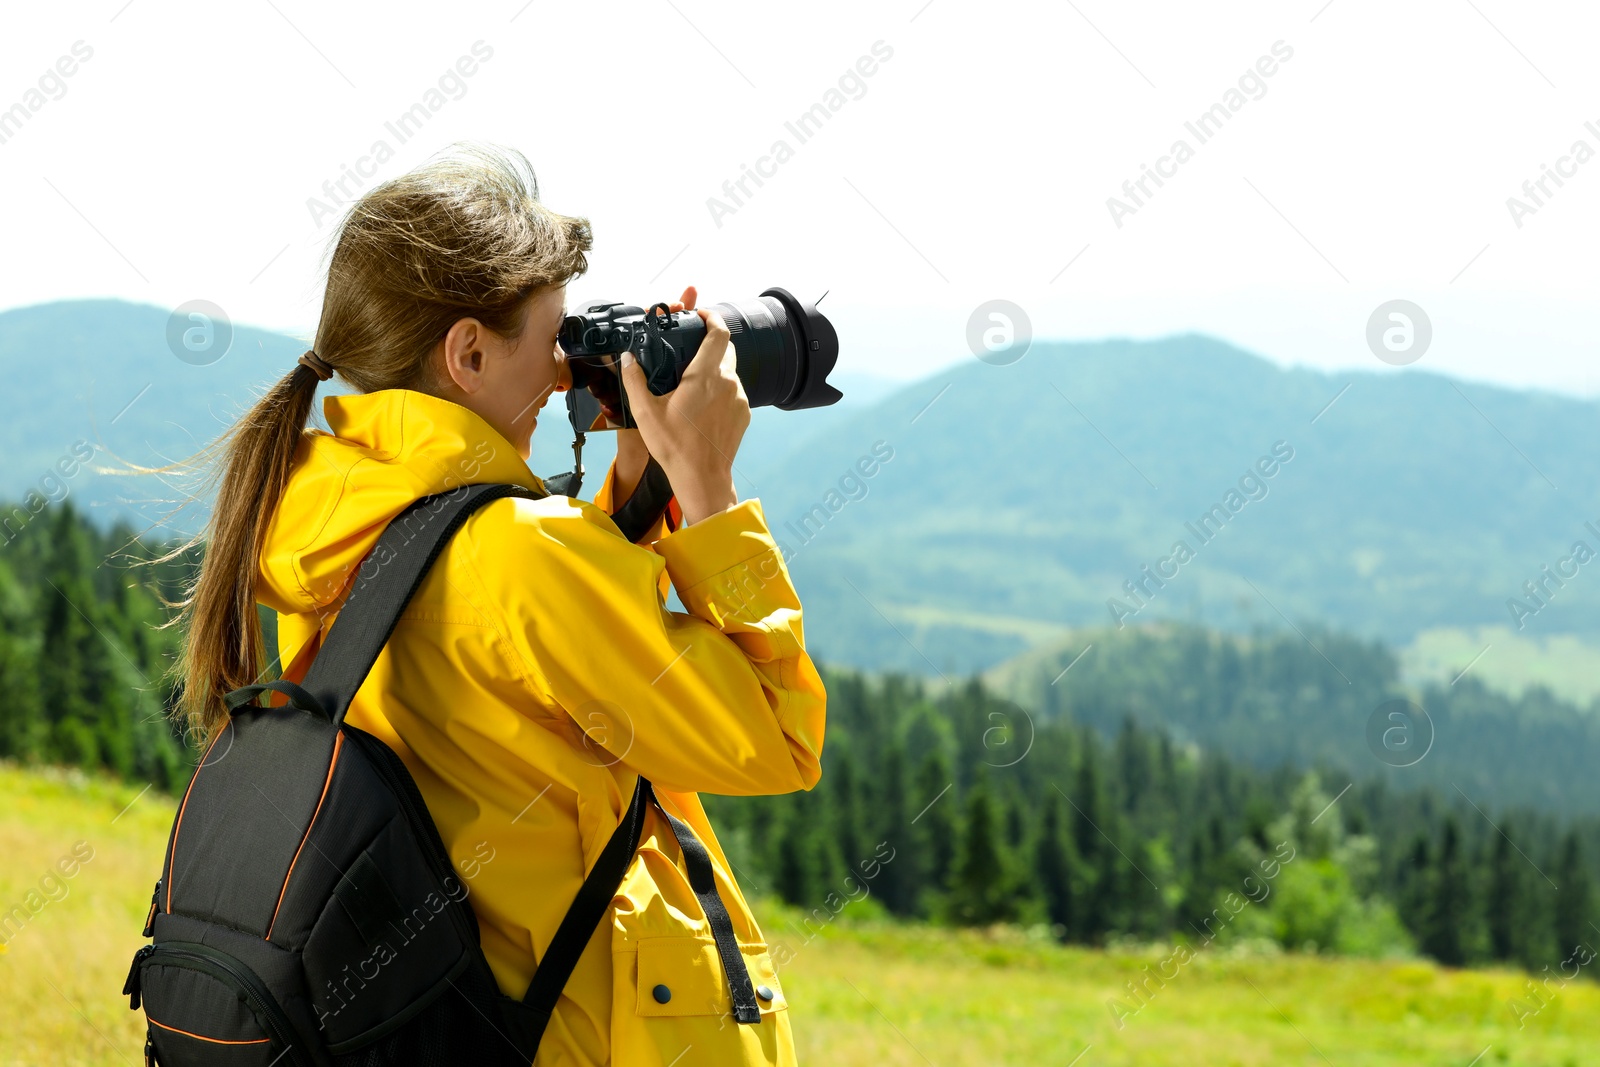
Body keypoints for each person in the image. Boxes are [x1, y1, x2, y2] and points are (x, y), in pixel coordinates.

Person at [174, 143, 826, 1065]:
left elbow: (532, 693)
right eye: (551, 340)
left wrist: (638, 485)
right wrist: (710, 487)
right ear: (468, 352)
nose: (566, 373)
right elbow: (778, 734)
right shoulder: (517, 552)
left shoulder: (327, 513)